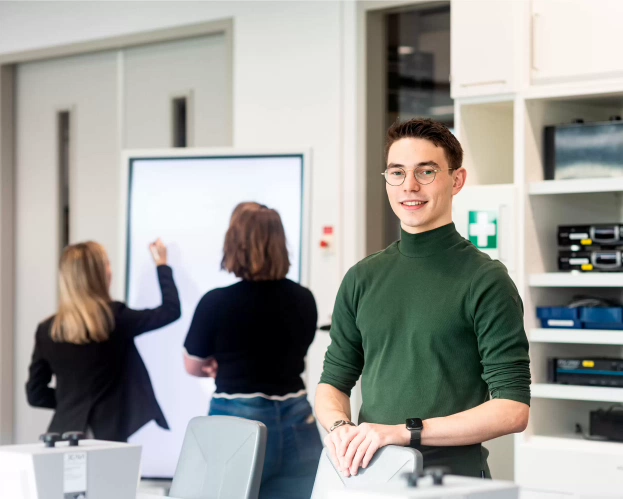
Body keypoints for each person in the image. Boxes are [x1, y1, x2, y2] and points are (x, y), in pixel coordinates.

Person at [316, 118, 531, 478]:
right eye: (397, 173)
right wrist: (341, 429)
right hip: (373, 479)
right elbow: (333, 383)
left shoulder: (486, 280)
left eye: (426, 172)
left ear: (456, 180)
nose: (409, 186)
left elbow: (512, 409)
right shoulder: (362, 277)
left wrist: (404, 432)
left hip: (452, 484)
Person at [183, 202, 322, 499]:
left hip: (235, 422)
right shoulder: (303, 299)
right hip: (297, 421)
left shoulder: (216, 303)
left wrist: (213, 364)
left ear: (234, 244)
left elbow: (193, 364)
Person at [26, 239, 181, 442]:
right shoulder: (115, 319)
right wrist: (162, 265)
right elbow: (170, 311)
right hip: (107, 436)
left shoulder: (48, 330)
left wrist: (71, 402)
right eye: (107, 264)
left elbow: (35, 394)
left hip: (63, 436)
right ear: (101, 274)